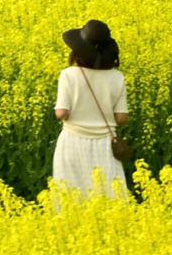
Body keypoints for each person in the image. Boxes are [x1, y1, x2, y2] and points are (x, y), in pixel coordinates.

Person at [52, 18, 130, 199]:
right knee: (108, 197)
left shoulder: (68, 75)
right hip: (105, 146)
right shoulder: (117, 77)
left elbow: (62, 113)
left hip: (72, 144)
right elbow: (121, 118)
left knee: (71, 198)